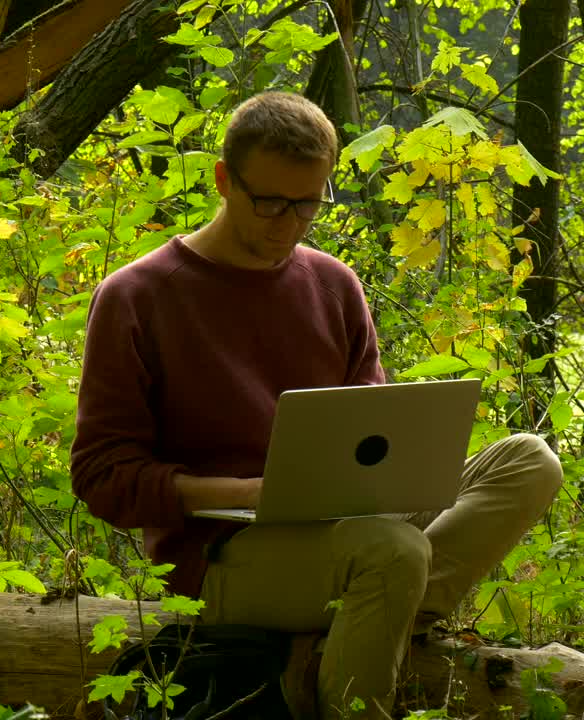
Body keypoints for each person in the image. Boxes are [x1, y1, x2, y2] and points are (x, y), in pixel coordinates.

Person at [69, 91, 562, 719]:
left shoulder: (332, 284)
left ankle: (366, 619)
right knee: (393, 552)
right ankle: (358, 676)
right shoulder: (138, 296)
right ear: (223, 180)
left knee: (529, 461)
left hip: (347, 525)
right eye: (269, 202)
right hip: (219, 556)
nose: (289, 223)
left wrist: (398, 471)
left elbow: (372, 436)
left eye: (308, 204)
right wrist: (246, 493)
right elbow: (101, 476)